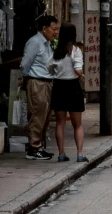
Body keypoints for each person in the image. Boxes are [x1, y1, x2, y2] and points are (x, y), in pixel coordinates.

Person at [19, 14, 59, 158]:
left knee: (44, 117)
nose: (56, 32)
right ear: (44, 29)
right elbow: (25, 64)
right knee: (37, 116)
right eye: (53, 29)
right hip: (37, 82)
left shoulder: (47, 43)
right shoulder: (35, 42)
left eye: (57, 29)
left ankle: (39, 146)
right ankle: (34, 148)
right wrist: (26, 79)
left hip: (47, 83)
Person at [50, 23, 87, 162]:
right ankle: (79, 153)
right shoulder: (75, 51)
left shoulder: (56, 51)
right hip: (72, 86)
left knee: (60, 123)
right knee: (77, 124)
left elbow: (49, 67)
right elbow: (78, 69)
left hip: (58, 86)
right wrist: (81, 75)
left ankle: (61, 153)